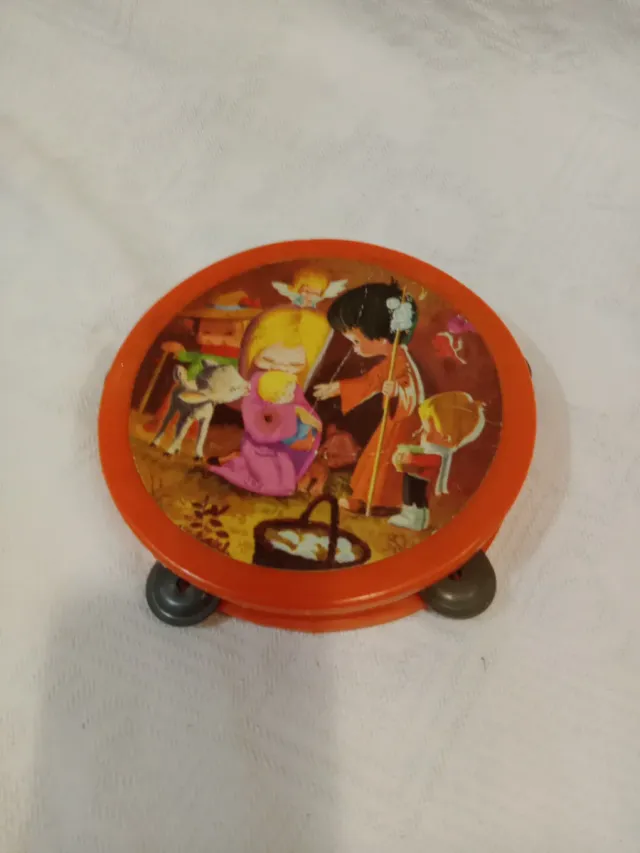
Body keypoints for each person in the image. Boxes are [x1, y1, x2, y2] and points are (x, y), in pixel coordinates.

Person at [313, 282, 425, 513]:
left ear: (382, 338)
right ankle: (364, 499)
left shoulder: (402, 361)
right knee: (373, 460)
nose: (354, 348)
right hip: (392, 423)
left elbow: (413, 392)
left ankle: (380, 503)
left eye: (356, 341)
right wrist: (338, 388)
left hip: (403, 426)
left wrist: (397, 391)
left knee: (386, 464)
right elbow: (371, 382)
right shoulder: (390, 360)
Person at [390, 391, 486, 530]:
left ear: (446, 436)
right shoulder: (434, 447)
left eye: (427, 429)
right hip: (419, 477)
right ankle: (415, 517)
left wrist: (411, 459)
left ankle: (413, 518)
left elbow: (431, 461)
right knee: (415, 496)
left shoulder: (439, 454)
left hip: (422, 480)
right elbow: (423, 452)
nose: (421, 432)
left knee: (414, 496)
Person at [257, 370, 321, 452]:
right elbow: (312, 422)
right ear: (278, 396)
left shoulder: (271, 409)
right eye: (289, 394)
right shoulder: (292, 409)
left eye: (293, 392)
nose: (293, 396)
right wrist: (317, 426)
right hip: (295, 441)